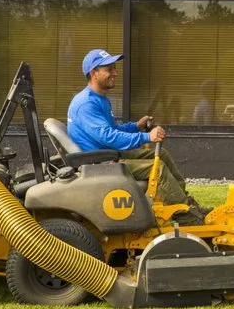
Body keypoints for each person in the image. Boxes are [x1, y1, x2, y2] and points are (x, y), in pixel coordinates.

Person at [67, 49, 209, 226]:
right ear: (93, 73)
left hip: (107, 154)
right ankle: (187, 217)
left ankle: (188, 206)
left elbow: (111, 129)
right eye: (109, 69)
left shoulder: (98, 99)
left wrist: (135, 126)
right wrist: (147, 136)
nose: (115, 73)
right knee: (157, 169)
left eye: (115, 68)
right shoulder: (86, 103)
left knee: (161, 154)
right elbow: (108, 136)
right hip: (99, 164)